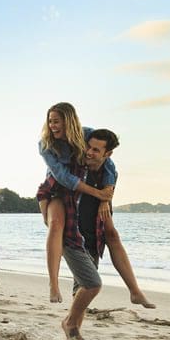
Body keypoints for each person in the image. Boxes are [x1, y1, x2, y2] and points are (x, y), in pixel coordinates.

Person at [36, 102, 114, 302]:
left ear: (68, 121)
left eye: (57, 121)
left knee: (99, 233)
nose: (52, 126)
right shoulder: (45, 144)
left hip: (80, 193)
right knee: (55, 225)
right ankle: (53, 284)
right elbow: (64, 178)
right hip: (56, 190)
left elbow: (108, 164)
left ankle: (81, 284)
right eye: (50, 121)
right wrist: (98, 194)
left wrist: (107, 194)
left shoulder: (87, 135)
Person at [57, 128, 122, 340]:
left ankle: (73, 334)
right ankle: (70, 325)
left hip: (94, 237)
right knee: (92, 284)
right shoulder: (76, 167)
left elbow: (108, 195)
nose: (89, 152)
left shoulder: (109, 173)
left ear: (108, 154)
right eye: (89, 146)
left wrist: (105, 200)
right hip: (72, 236)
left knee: (81, 289)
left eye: (96, 150)